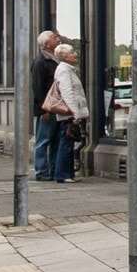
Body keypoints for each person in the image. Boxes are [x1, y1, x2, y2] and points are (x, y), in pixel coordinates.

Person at [46, 44, 90, 182]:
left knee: (68, 143)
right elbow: (67, 94)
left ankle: (67, 173)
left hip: (70, 113)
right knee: (66, 143)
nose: (75, 54)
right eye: (72, 52)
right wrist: (75, 114)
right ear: (65, 57)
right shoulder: (64, 71)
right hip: (69, 114)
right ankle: (63, 174)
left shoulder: (67, 70)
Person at [30, 31, 59, 181]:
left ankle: (53, 169)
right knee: (43, 140)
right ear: (47, 44)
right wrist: (43, 108)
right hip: (47, 108)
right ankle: (41, 171)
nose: (57, 39)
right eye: (54, 38)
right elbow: (38, 87)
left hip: (57, 107)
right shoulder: (40, 63)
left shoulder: (56, 61)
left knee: (55, 140)